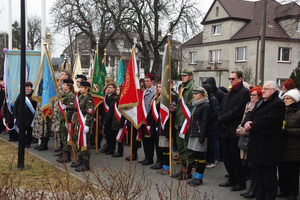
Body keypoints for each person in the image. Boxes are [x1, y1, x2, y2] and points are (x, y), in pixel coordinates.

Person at [243, 81, 285, 200]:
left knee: (268, 176)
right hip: (257, 145)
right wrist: (247, 122)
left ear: (274, 90)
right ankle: (259, 196)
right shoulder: (261, 101)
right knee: (258, 175)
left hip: (268, 146)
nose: (263, 91)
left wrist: (251, 125)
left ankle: (269, 197)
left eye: (266, 89)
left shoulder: (278, 104)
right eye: (263, 88)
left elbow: (268, 120)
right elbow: (250, 114)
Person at [218, 71, 250, 191]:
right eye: (229, 78)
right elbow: (221, 106)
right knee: (227, 156)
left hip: (234, 128)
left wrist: (222, 118)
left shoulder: (244, 92)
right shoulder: (230, 91)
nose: (230, 80)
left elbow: (237, 110)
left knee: (235, 157)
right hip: (225, 128)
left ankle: (240, 182)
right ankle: (231, 178)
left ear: (240, 79)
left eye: (233, 78)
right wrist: (219, 117)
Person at [170, 69, 196, 180]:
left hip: (187, 122)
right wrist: (174, 108)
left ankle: (188, 171)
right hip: (180, 121)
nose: (183, 77)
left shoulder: (193, 88)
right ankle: (183, 169)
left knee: (187, 148)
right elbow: (181, 105)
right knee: (180, 146)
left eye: (185, 76)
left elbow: (192, 106)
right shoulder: (183, 88)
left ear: (190, 77)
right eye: (182, 76)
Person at [236, 86, 262, 198]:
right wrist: (239, 128)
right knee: (248, 164)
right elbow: (243, 120)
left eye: (254, 95)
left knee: (253, 166)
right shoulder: (248, 105)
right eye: (250, 94)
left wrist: (241, 130)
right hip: (243, 136)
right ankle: (251, 188)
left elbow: (251, 124)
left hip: (251, 138)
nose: (251, 97)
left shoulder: (259, 106)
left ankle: (254, 188)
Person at [278, 89, 300, 200]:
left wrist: (288, 132)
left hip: (294, 147)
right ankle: (283, 190)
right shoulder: (283, 111)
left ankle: (293, 192)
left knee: (293, 172)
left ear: (294, 100)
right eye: (284, 98)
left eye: (288, 98)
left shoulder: (298, 112)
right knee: (282, 170)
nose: (285, 100)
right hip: (283, 145)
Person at [186, 86, 210, 186]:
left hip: (200, 134)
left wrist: (202, 136)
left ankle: (199, 178)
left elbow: (205, 122)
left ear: (202, 94)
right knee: (196, 156)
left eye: (196, 94)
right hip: (193, 133)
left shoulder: (205, 105)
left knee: (201, 157)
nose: (194, 95)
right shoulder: (195, 105)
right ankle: (195, 176)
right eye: (193, 94)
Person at [74, 81, 94, 172]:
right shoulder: (81, 97)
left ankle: (86, 163)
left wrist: (86, 125)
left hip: (85, 124)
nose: (80, 89)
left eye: (82, 87)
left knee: (85, 143)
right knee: (79, 142)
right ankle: (81, 160)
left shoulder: (89, 99)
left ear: (87, 89)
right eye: (80, 87)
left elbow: (90, 113)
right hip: (79, 123)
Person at [138, 73, 156, 165]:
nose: (146, 83)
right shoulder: (144, 91)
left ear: (152, 81)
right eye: (145, 81)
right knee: (144, 140)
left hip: (150, 120)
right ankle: (146, 157)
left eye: (148, 81)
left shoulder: (155, 91)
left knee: (150, 140)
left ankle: (150, 158)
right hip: (143, 120)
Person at [56, 79, 75, 163]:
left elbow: (71, 108)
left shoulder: (70, 95)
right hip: (62, 118)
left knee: (66, 137)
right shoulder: (64, 94)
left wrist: (66, 118)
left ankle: (67, 155)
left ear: (68, 86)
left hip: (67, 118)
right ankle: (64, 153)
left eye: (64, 85)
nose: (62, 86)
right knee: (63, 137)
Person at [13, 82, 37, 148]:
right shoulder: (21, 94)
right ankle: (22, 142)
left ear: (31, 88)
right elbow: (16, 104)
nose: (27, 88)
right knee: (21, 130)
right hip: (21, 116)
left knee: (29, 130)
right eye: (26, 87)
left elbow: (36, 106)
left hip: (30, 116)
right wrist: (14, 113)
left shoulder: (33, 95)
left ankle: (28, 143)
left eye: (28, 87)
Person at [202, 84, 219, 168]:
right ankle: (208, 159)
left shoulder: (213, 100)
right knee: (207, 143)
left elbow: (215, 112)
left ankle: (212, 160)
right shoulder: (206, 99)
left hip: (211, 125)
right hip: (206, 125)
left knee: (211, 143)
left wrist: (207, 119)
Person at [147, 82, 163, 170]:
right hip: (153, 123)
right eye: (157, 87)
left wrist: (158, 125)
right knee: (154, 142)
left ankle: (160, 161)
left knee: (159, 144)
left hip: (158, 124)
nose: (158, 88)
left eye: (160, 87)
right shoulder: (155, 98)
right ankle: (157, 161)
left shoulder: (163, 99)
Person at [102, 81, 117, 155]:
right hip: (105, 118)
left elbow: (111, 110)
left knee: (111, 135)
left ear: (114, 89)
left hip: (110, 119)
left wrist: (106, 120)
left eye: (111, 88)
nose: (109, 89)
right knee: (107, 134)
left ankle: (112, 149)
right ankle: (108, 147)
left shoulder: (113, 97)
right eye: (108, 87)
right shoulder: (106, 96)